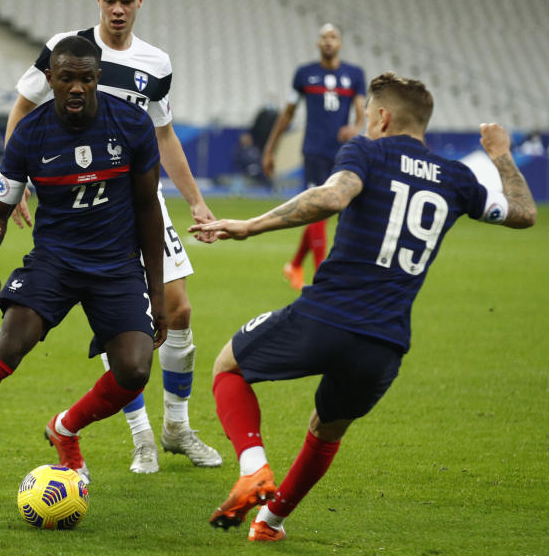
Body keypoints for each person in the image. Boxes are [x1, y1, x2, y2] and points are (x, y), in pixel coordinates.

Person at [188, 72, 536, 542]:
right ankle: (270, 523)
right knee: (326, 430)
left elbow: (333, 196)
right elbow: (524, 213)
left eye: (369, 115)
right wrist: (501, 156)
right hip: (384, 344)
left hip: (325, 316)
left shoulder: (367, 151)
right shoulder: (458, 178)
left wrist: (250, 226)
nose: (365, 123)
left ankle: (254, 468)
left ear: (384, 117)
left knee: (228, 366)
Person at [0, 0, 221, 475]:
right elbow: (23, 107)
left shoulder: (156, 64)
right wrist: (16, 179)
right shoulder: (66, 49)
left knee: (176, 309)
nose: (118, 9)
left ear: (141, 1)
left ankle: (176, 426)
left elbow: (164, 134)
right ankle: (140, 439)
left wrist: (196, 199)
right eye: (109, 0)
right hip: (77, 198)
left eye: (126, 1)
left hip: (137, 193)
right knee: (118, 319)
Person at [0, 35, 166, 485]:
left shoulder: (131, 123)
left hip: (116, 264)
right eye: (65, 78)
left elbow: (148, 209)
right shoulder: (29, 135)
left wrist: (157, 293)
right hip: (56, 261)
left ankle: (65, 428)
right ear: (50, 79)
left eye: (85, 79)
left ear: (97, 79)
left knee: (135, 369)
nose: (75, 88)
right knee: (11, 341)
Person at [261, 24, 366, 290]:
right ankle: (321, 276)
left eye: (333, 37)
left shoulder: (354, 75)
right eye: (324, 38)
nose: (328, 42)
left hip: (341, 154)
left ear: (340, 43)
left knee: (324, 210)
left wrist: (355, 128)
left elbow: (361, 111)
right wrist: (270, 148)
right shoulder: (305, 74)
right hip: (314, 152)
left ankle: (295, 264)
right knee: (318, 211)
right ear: (318, 44)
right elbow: (287, 114)